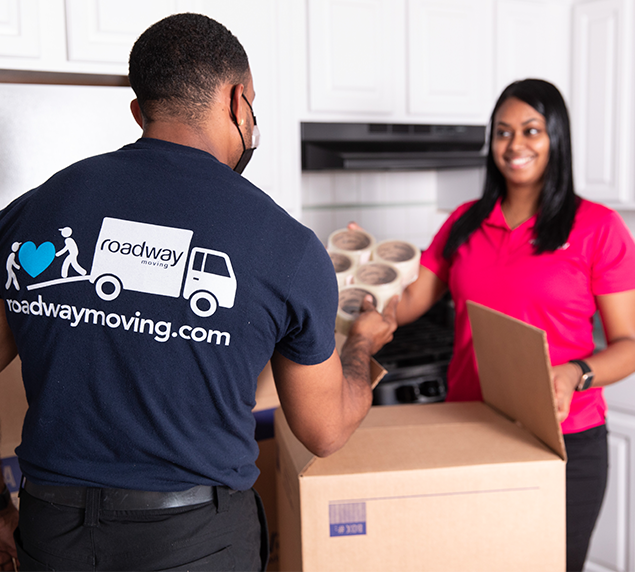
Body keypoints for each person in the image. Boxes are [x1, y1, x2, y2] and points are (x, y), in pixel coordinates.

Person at [0, 13, 397, 572]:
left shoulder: (31, 212)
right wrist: (362, 344)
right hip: (195, 544)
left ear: (139, 112)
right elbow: (325, 429)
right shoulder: (285, 245)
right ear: (239, 102)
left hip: (52, 534)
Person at [354, 78, 635, 572]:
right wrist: (365, 270)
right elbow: (409, 301)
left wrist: (576, 373)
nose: (515, 144)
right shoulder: (465, 221)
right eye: (503, 132)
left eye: (531, 130)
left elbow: (629, 344)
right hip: (470, 427)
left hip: (564, 440)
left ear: (556, 137)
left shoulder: (597, 227)